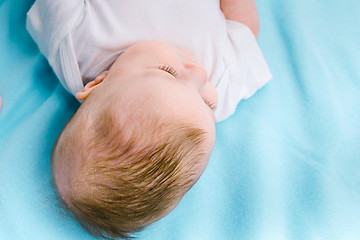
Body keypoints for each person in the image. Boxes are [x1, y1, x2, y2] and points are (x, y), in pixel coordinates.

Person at [27, 0, 272, 239]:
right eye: (207, 103)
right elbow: (245, 33)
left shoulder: (77, 46)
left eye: (167, 72)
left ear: (98, 83)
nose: (199, 73)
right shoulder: (219, 90)